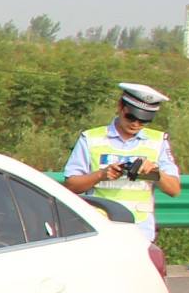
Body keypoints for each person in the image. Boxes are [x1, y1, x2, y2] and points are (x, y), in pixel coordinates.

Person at [63, 82, 181, 241]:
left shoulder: (158, 141)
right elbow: (71, 186)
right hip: (100, 228)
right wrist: (101, 175)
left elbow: (174, 190)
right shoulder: (91, 138)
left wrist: (155, 173)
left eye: (143, 120)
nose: (136, 124)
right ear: (120, 107)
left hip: (140, 232)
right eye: (131, 117)